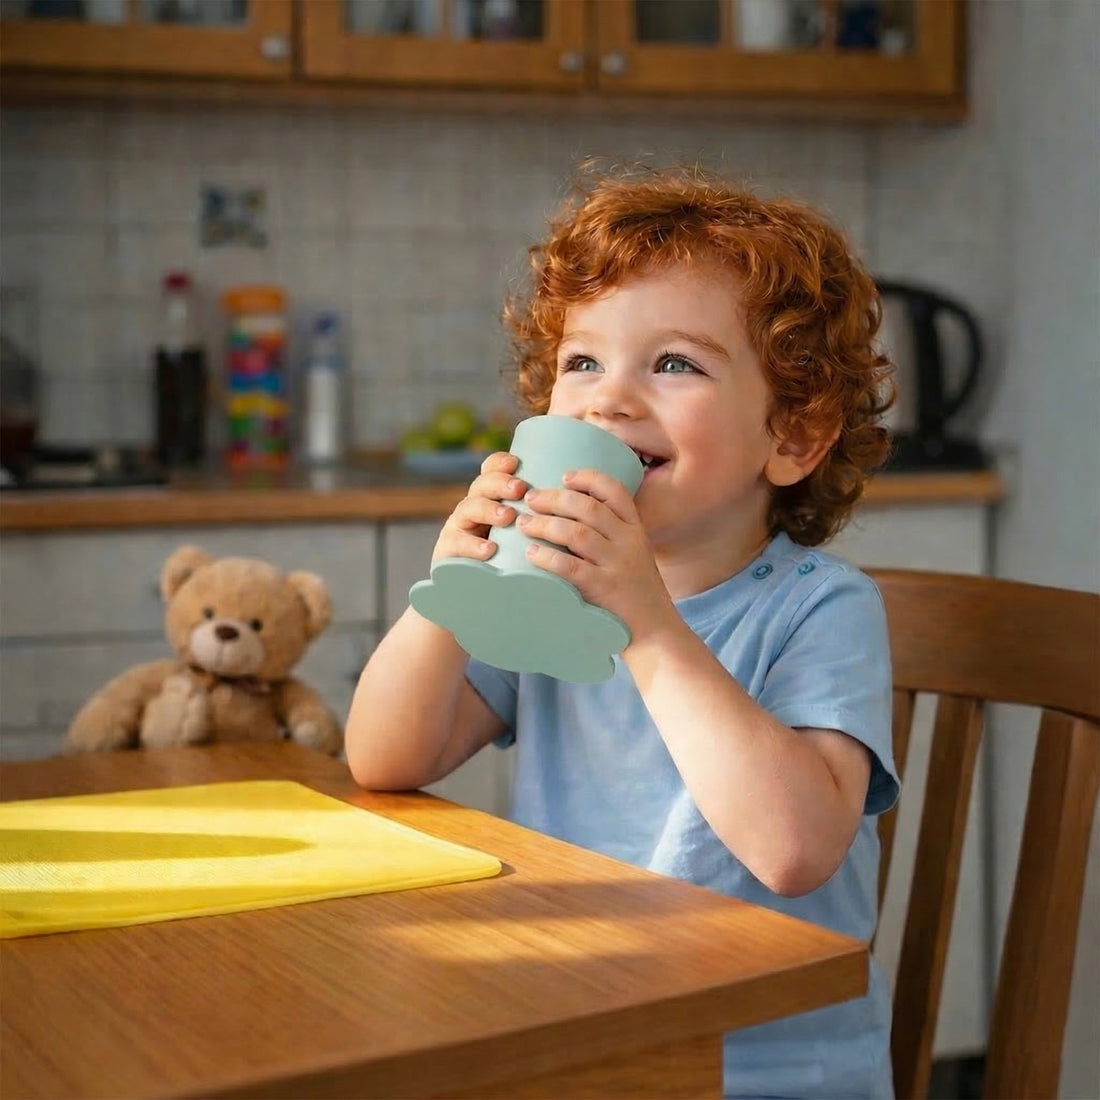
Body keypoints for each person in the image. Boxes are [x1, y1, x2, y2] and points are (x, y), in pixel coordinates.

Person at [345, 163, 900, 1100]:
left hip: (762, 1068)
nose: (608, 399)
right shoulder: (548, 587)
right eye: (582, 363)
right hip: (583, 1038)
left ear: (793, 436)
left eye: (674, 362)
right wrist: (450, 591)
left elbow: (795, 851)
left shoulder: (820, 608)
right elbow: (385, 759)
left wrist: (647, 623)